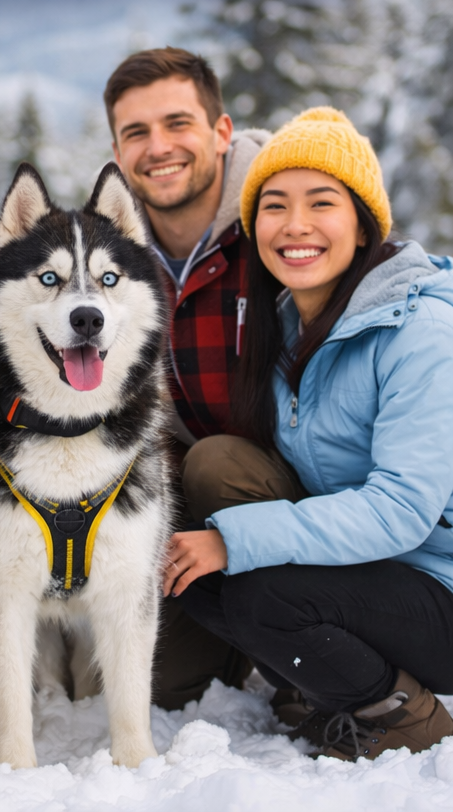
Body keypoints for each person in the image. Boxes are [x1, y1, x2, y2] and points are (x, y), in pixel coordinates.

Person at [165, 106, 453, 759]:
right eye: (274, 206)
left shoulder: (422, 331)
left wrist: (233, 539)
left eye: (321, 203)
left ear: (361, 225)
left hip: (438, 581)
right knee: (198, 577)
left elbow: (404, 511)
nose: (295, 225)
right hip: (371, 572)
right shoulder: (289, 325)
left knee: (260, 591)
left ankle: (403, 714)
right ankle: (326, 678)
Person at [103, 47, 270, 708]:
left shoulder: (280, 221)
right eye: (136, 133)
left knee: (217, 462)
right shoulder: (110, 256)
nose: (158, 147)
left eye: (178, 124)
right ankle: (233, 635)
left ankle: (305, 657)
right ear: (116, 151)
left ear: (222, 132)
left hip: (299, 491)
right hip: (183, 502)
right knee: (162, 688)